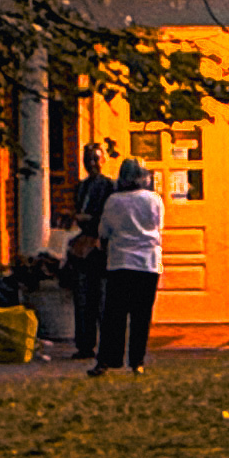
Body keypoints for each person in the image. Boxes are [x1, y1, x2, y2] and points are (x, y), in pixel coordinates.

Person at [90, 157, 164, 375]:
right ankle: (137, 361)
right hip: (148, 262)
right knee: (141, 315)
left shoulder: (114, 201)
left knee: (114, 315)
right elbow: (158, 226)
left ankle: (108, 359)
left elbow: (104, 231)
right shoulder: (154, 200)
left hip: (120, 262)